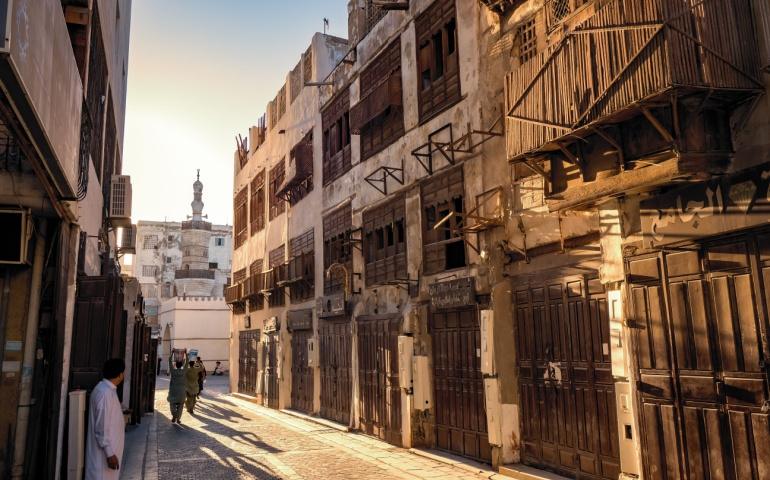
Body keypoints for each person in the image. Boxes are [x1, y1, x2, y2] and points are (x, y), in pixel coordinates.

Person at [85, 358, 125, 480]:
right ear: (120, 374)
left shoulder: (106, 390)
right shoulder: (105, 393)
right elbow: (101, 426)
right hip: (103, 457)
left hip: (109, 453)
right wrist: (109, 453)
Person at [167, 353, 188, 423]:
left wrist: (172, 352)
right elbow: (187, 362)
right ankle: (178, 418)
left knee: (172, 404)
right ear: (182, 365)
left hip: (173, 391)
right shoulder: (184, 371)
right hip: (181, 391)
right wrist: (186, 354)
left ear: (175, 365)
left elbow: (169, 360)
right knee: (180, 406)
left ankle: (174, 416)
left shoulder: (173, 371)